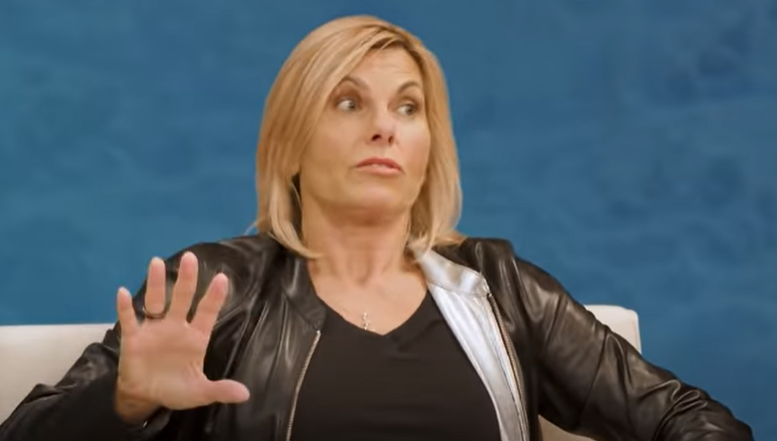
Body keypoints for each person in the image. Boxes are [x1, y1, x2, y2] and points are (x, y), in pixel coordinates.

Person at [0, 15, 753, 441]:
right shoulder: (218, 289)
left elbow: (693, 420)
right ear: (291, 143)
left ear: (429, 150)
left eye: (407, 107)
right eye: (348, 102)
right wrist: (123, 403)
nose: (384, 128)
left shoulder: (499, 289)